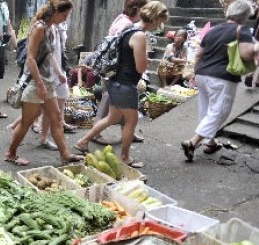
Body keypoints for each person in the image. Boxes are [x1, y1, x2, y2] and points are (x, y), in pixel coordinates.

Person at [75, 1, 169, 168]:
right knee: (131, 122)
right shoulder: (140, 35)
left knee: (113, 117)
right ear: (155, 19)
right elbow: (140, 67)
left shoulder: (129, 28)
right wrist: (147, 60)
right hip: (125, 84)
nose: (160, 25)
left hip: (116, 81)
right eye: (160, 21)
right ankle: (124, 158)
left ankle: (83, 141)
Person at [4, 0, 84, 166]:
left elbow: (48, 54)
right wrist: (40, 84)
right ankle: (11, 153)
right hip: (35, 82)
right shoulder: (39, 27)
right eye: (64, 15)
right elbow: (31, 58)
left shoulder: (50, 29)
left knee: (55, 118)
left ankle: (65, 154)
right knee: (27, 122)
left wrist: (60, 73)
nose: (65, 18)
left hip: (47, 81)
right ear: (55, 13)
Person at [181, 0, 258, 161]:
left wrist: (196, 73)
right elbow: (245, 54)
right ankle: (193, 142)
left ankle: (211, 142)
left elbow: (198, 54)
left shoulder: (213, 30)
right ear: (244, 16)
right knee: (219, 112)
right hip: (222, 77)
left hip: (202, 74)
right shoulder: (241, 30)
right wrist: (256, 47)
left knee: (206, 109)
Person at [91, 0, 148, 146]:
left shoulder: (121, 19)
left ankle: (128, 131)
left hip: (113, 70)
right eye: (144, 9)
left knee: (121, 106)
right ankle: (94, 134)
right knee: (109, 102)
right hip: (118, 72)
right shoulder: (127, 25)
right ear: (138, 9)